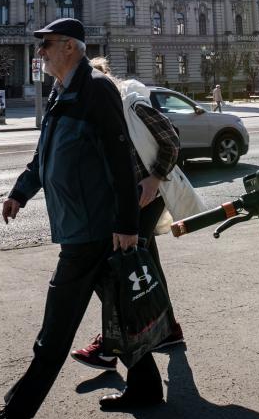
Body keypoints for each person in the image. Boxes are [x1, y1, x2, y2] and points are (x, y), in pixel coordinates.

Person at [0, 19, 159, 419]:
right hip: (81, 225)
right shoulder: (62, 92)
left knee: (55, 331)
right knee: (122, 309)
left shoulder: (96, 89)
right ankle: (146, 386)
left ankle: (14, 418)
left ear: (70, 48)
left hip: (92, 231)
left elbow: (118, 158)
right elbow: (45, 156)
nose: (40, 54)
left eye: (47, 46)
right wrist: (20, 192)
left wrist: (127, 225)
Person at [69, 57, 188, 371]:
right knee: (145, 261)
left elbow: (172, 140)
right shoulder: (100, 113)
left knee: (122, 263)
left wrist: (155, 177)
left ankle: (110, 346)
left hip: (148, 194)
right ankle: (169, 329)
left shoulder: (131, 105)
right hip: (131, 197)